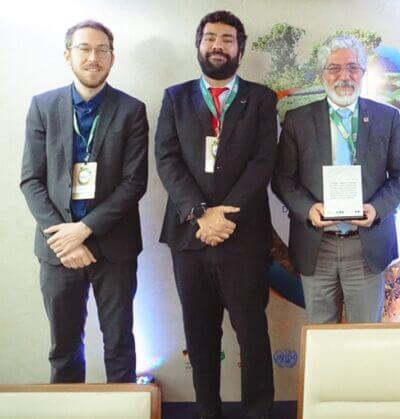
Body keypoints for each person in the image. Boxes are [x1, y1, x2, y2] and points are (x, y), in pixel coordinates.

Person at [154, 11, 277, 419]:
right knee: (200, 334)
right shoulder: (175, 97)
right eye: (210, 38)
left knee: (252, 334)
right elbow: (167, 159)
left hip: (243, 237)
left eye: (227, 39)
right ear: (199, 45)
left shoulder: (261, 99)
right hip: (190, 237)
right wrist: (200, 214)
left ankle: (258, 412)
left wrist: (224, 218)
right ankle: (207, 411)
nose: (218, 45)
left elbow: (263, 162)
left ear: (240, 49)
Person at [20, 20, 148, 383]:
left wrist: (85, 229)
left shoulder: (131, 110)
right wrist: (64, 237)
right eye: (84, 49)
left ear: (112, 58)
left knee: (119, 345)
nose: (94, 57)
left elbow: (134, 183)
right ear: (68, 56)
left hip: (114, 247)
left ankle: (122, 407)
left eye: (102, 50)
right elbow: (31, 180)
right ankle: (68, 407)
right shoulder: (43, 106)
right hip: (58, 249)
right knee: (63, 350)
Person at [272, 35, 400, 324]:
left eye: (352, 67)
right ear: (322, 74)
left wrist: (376, 209)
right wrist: (308, 208)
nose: (344, 76)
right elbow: (282, 179)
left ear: (363, 73)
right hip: (317, 246)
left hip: (366, 246)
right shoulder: (298, 120)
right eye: (334, 68)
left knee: (365, 338)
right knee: (322, 338)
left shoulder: (387, 118)